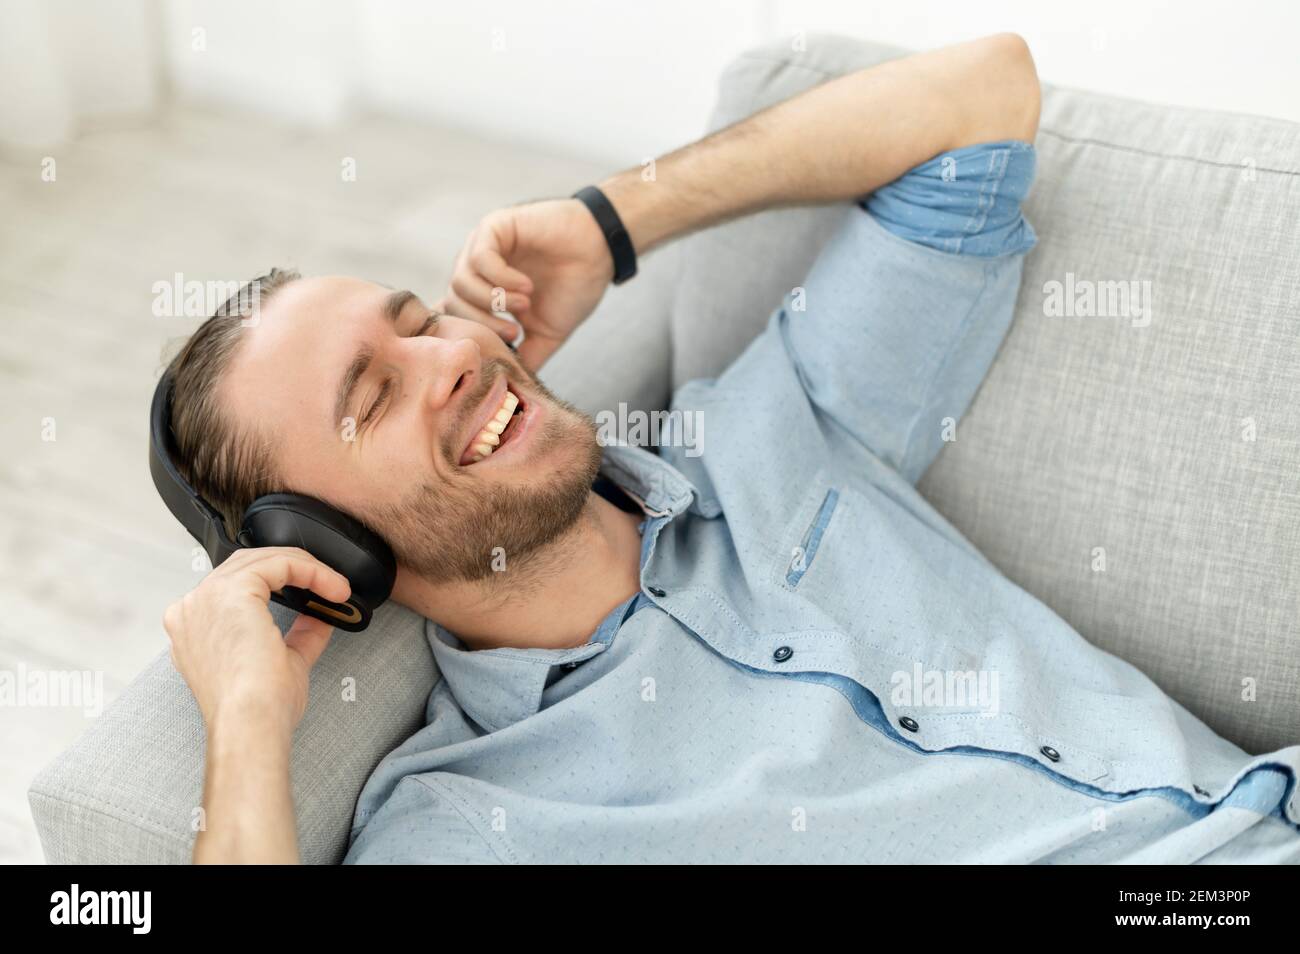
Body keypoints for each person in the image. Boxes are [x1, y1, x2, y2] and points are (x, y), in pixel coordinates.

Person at [160, 33, 1300, 863]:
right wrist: (250, 721)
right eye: (371, 397)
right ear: (320, 547)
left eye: (417, 323)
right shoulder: (474, 821)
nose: (449, 359)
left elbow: (983, 93)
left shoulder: (778, 426)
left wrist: (610, 223)